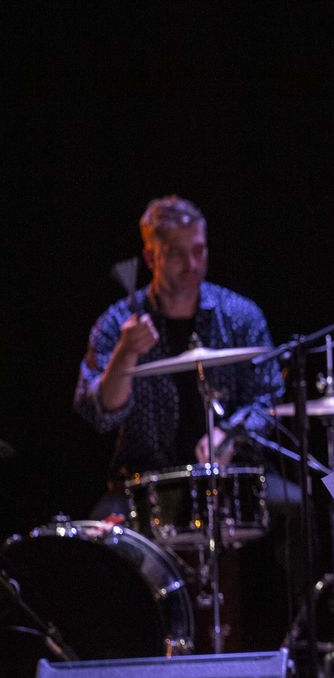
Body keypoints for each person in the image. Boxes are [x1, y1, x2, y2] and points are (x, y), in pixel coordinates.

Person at [75, 195, 283, 499]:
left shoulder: (240, 315)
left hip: (234, 479)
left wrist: (230, 435)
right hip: (145, 488)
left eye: (199, 250)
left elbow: (269, 396)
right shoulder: (117, 321)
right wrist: (125, 353)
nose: (191, 265)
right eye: (176, 254)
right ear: (151, 259)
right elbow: (99, 414)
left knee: (297, 506)